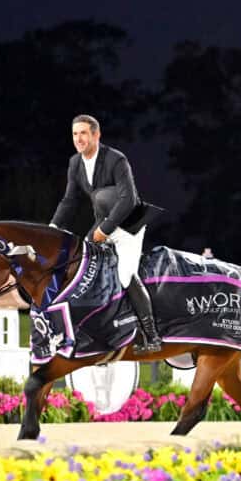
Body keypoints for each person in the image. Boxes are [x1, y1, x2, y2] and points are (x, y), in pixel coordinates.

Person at [49, 114, 164, 352]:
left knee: (124, 275)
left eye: (83, 133)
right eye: (74, 134)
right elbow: (69, 201)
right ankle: (97, 328)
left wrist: (105, 230)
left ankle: (151, 335)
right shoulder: (75, 163)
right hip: (103, 222)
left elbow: (128, 199)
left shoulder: (116, 159)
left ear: (96, 135)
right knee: (84, 266)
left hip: (129, 223)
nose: (78, 139)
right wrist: (53, 228)